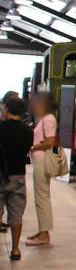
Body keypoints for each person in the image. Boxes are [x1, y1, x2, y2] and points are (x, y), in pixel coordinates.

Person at [0, 96, 34, 260]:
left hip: (1, 175)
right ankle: (15, 249)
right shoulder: (28, 131)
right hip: (18, 175)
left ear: (6, 110)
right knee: (16, 214)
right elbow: (27, 149)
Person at [26, 93, 57, 247]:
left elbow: (49, 142)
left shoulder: (48, 119)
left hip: (42, 160)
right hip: (38, 159)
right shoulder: (44, 118)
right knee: (41, 196)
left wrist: (32, 147)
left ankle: (44, 234)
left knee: (42, 197)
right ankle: (42, 230)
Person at [0, 90, 21, 233]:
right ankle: (15, 249)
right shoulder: (25, 130)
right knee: (16, 208)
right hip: (12, 170)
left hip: (6, 168)